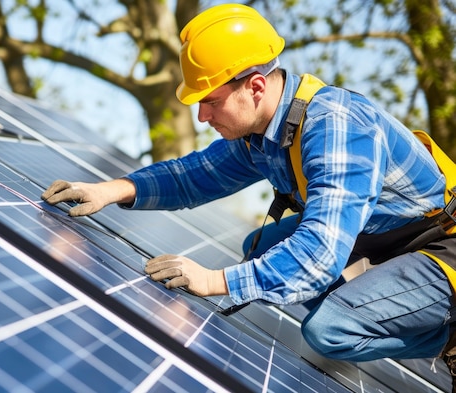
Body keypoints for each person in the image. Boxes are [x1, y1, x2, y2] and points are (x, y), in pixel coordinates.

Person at [41, 3, 456, 389]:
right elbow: (195, 176)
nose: (202, 116)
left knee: (330, 329)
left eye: (211, 101)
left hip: (442, 241)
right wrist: (110, 189)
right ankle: (383, 300)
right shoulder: (264, 130)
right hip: (386, 230)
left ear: (255, 86)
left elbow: (320, 253)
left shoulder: (336, 128)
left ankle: (449, 340)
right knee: (259, 249)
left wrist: (214, 280)